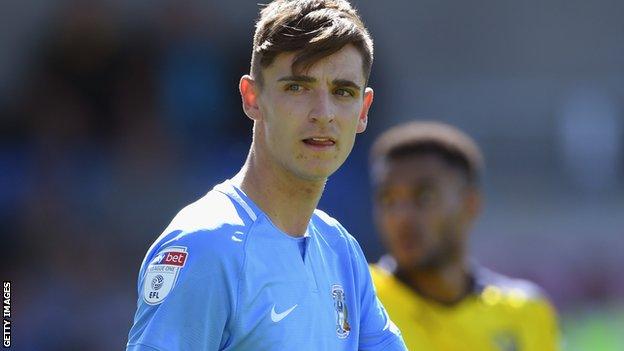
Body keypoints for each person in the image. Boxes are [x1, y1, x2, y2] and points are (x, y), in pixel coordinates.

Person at [126, 1, 406, 350]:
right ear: (252, 97)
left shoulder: (341, 251)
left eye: (342, 92)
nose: (323, 113)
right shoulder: (205, 246)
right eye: (297, 88)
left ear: (363, 111)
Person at [369, 121, 560, 351]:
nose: (402, 216)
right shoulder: (360, 300)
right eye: (388, 200)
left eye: (424, 197)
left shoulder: (526, 312)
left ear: (470, 204)